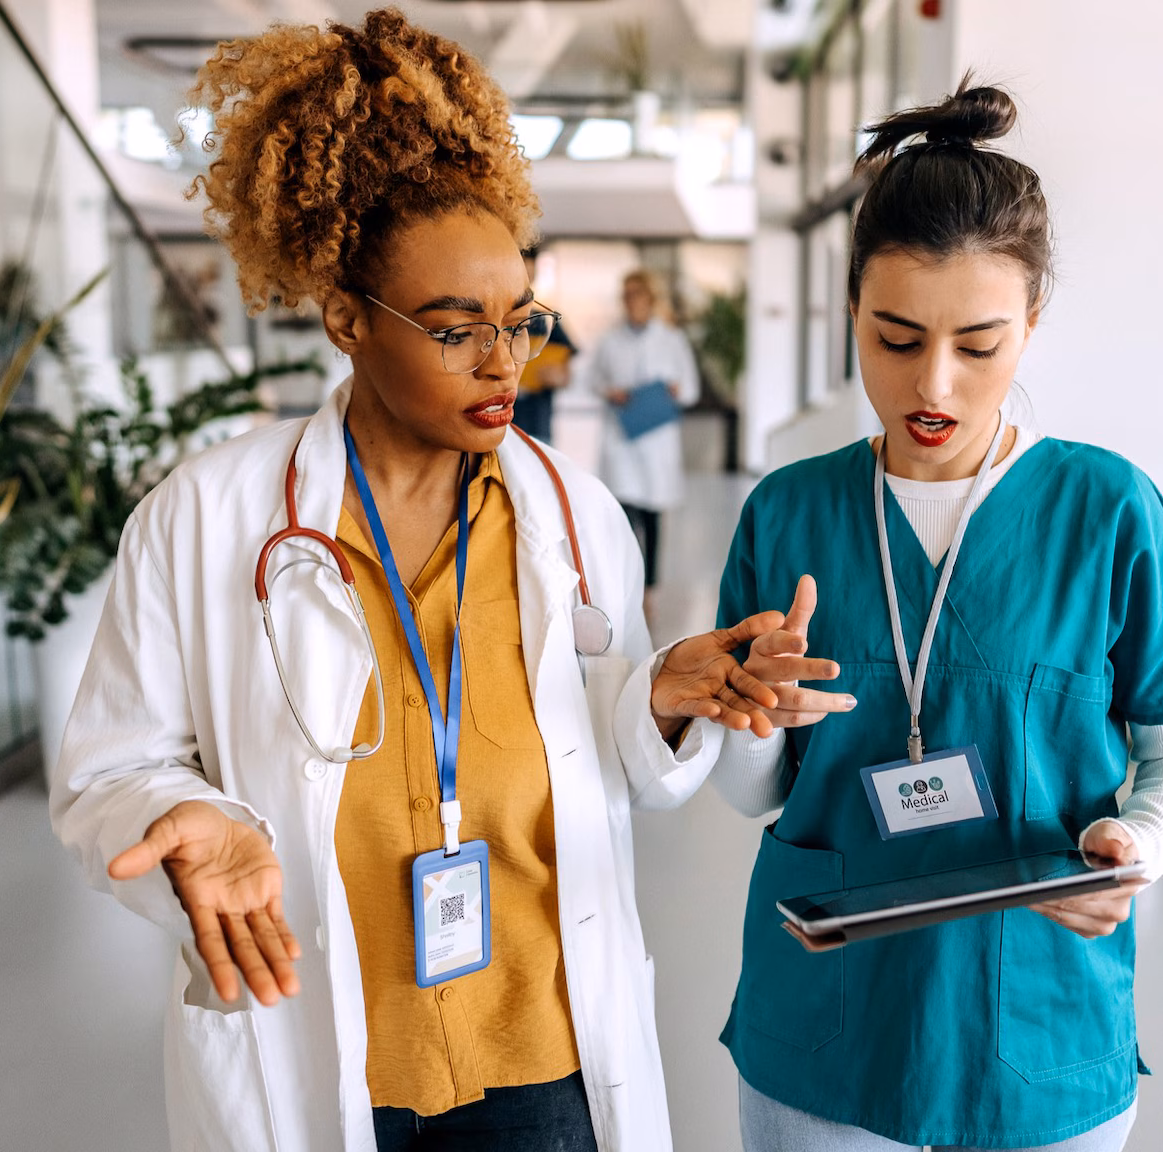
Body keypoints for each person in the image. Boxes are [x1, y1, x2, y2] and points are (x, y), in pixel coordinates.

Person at [49, 13, 797, 1151]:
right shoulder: (204, 519)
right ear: (346, 318)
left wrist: (652, 704)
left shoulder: (574, 516)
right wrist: (182, 812)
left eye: (520, 323)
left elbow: (612, 774)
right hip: (326, 1045)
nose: (505, 364)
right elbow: (113, 764)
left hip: (539, 1042)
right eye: (455, 331)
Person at [652, 82, 1163, 1151]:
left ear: (1030, 325)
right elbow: (753, 797)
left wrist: (1134, 841)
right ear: (850, 314)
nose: (931, 383)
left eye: (977, 346)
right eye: (892, 338)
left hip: (1034, 1013)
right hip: (826, 1022)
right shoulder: (788, 512)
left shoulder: (1104, 510)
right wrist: (755, 720)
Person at [584, 270, 699, 588]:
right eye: (626, 295)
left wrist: (676, 391)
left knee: (652, 517)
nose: (631, 301)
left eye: (636, 294)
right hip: (621, 438)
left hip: (656, 440)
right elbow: (592, 380)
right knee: (623, 515)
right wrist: (611, 391)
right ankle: (626, 584)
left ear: (650, 298)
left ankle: (649, 587)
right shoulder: (609, 339)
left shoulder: (671, 339)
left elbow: (691, 389)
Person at [510, 247, 575, 443]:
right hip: (500, 426)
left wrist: (557, 376)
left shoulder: (545, 319)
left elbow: (566, 373)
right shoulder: (494, 319)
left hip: (537, 425)